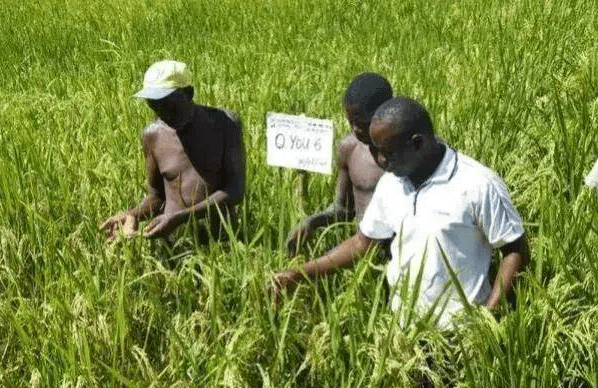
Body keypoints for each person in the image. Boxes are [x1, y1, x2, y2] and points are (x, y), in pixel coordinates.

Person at [275, 97, 529, 327]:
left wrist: (489, 316)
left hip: (461, 333)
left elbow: (515, 250)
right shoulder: (392, 182)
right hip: (403, 330)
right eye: (375, 150)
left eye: (387, 153)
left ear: (417, 143)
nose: (379, 161)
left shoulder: (477, 184)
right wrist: (300, 274)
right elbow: (363, 242)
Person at [101, 60, 245, 242]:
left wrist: (181, 217)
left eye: (169, 104)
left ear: (189, 93)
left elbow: (235, 190)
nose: (164, 114)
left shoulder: (225, 124)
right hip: (173, 242)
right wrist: (132, 215)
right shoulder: (153, 135)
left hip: (220, 240)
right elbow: (157, 197)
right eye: (154, 105)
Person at [286, 73, 392, 256]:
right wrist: (312, 221)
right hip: (363, 253)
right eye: (352, 122)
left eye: (364, 122)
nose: (357, 129)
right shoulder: (349, 149)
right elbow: (343, 208)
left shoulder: (406, 152)